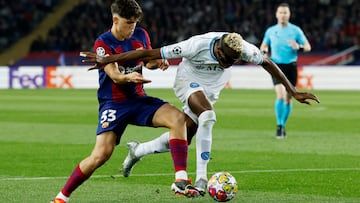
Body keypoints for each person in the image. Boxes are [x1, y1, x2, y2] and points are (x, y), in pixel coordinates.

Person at [81, 32, 320, 196]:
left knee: (185, 134)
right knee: (208, 116)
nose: (229, 63)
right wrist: (108, 59)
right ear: (217, 48)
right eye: (226, 59)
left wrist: (293, 90)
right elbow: (148, 54)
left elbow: (268, 62)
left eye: (233, 61)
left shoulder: (243, 48)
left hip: (213, 87)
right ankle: (201, 180)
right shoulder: (195, 45)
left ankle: (138, 150)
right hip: (189, 81)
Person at [50, 1, 200, 203]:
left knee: (178, 119)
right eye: (128, 23)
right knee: (100, 155)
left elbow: (147, 61)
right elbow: (114, 75)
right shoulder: (103, 43)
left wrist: (158, 62)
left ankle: (180, 179)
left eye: (135, 24)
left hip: (138, 100)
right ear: (115, 19)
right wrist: (128, 78)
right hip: (114, 104)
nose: (132, 28)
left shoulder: (140, 34)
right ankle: (61, 197)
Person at [260, 2, 312, 139]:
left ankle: (283, 125)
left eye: (285, 13)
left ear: (289, 15)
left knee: (289, 99)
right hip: (276, 66)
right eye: (281, 12)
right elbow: (264, 45)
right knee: (281, 95)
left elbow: (308, 47)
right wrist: (264, 50)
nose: (283, 15)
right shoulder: (270, 31)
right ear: (277, 14)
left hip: (291, 66)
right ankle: (279, 126)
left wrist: (299, 46)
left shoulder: (295, 30)